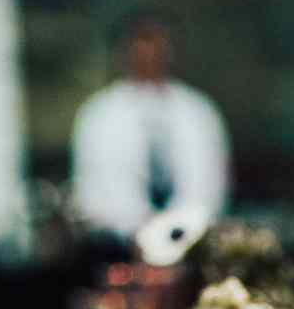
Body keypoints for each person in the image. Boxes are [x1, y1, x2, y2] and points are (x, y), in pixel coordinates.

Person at [71, 18, 231, 242]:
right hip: (117, 243)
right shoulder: (99, 114)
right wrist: (135, 231)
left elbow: (209, 187)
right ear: (125, 54)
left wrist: (179, 232)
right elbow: (93, 194)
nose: (149, 58)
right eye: (141, 50)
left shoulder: (199, 112)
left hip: (191, 241)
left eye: (157, 50)